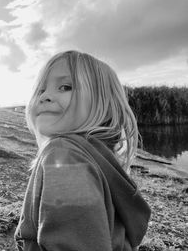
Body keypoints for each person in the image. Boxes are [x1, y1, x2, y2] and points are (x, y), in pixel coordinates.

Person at [14, 50, 151, 251]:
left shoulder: (64, 155)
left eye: (65, 87)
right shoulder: (96, 155)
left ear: (103, 103)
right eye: (41, 89)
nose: (45, 97)